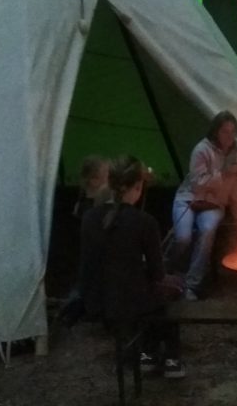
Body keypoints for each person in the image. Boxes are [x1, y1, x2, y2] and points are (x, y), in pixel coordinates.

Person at [78, 155, 185, 378]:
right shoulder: (145, 222)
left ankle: (147, 354)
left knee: (146, 292)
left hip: (96, 301)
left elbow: (90, 265)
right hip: (129, 302)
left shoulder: (89, 218)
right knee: (173, 287)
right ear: (137, 186)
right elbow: (158, 274)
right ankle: (170, 358)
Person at [170, 111, 237, 301]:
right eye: (224, 132)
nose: (229, 136)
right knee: (183, 238)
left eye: (232, 132)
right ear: (215, 131)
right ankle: (168, 271)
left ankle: (191, 284)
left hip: (215, 203)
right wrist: (223, 174)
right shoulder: (202, 149)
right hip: (188, 198)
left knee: (207, 231)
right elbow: (197, 183)